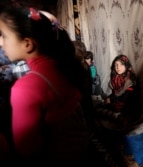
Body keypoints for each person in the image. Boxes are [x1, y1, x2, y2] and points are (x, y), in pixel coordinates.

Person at [0, 7, 92, 165]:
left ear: (27, 44)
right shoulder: (65, 67)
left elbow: (26, 150)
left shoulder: (25, 88)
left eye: (4, 35)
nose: (1, 43)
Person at [95, 55, 138, 131]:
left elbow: (126, 97)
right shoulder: (116, 78)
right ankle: (116, 116)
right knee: (97, 109)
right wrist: (109, 98)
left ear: (126, 66)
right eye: (116, 65)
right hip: (118, 101)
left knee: (105, 110)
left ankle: (118, 117)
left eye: (121, 65)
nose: (118, 67)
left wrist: (111, 99)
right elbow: (115, 93)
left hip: (127, 105)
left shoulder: (130, 79)